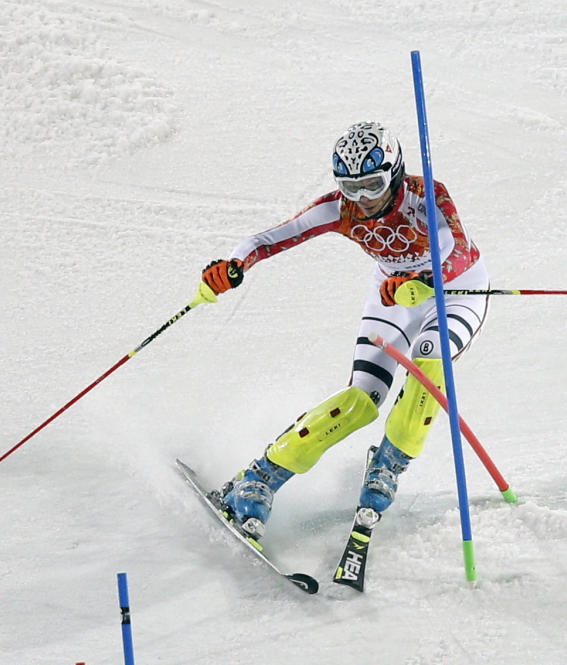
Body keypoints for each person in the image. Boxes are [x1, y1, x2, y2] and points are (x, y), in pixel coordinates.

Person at [200, 121, 489, 540]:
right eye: (350, 188)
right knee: (362, 400)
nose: (363, 200)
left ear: (393, 171)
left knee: (430, 368)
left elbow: (458, 250)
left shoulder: (426, 194)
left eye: (372, 185)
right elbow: (272, 237)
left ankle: (387, 468)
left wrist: (426, 280)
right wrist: (234, 266)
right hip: (392, 294)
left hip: (454, 290)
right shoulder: (342, 208)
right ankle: (261, 476)